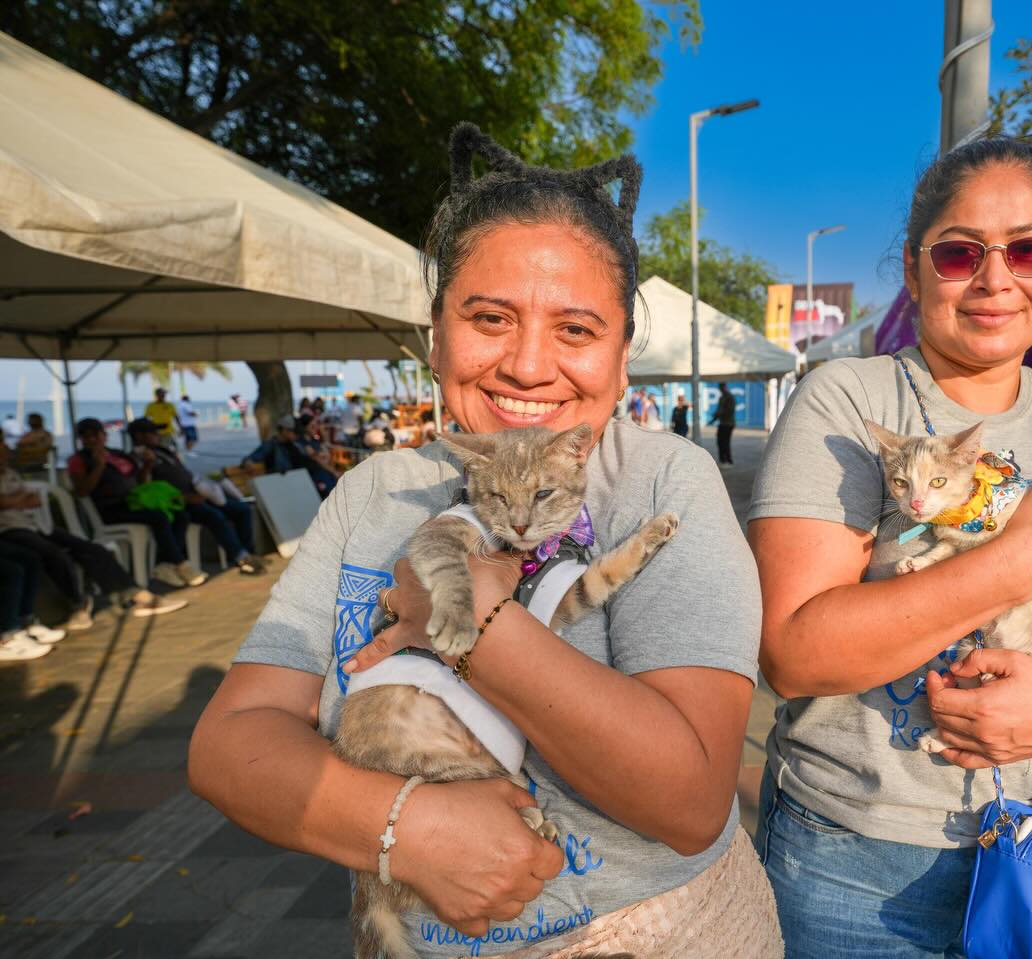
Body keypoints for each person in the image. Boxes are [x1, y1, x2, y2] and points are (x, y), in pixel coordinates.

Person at [189, 124, 780, 957]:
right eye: (489, 317)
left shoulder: (662, 483)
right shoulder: (372, 492)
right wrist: (406, 828)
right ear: (436, 335)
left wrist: (471, 624)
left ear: (619, 358)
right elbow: (227, 742)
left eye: (575, 330)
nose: (529, 365)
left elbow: (690, 803)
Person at [746, 136, 1032, 955]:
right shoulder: (850, 401)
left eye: (1028, 249)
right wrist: (1014, 564)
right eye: (960, 254)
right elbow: (793, 652)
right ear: (916, 270)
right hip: (858, 866)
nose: (996, 278)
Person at [0, 441, 187, 628]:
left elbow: (34, 500)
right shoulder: (79, 461)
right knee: (53, 554)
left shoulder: (11, 475)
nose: (8, 452)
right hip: (11, 530)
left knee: (92, 550)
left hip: (39, 525)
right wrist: (16, 500)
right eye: (3, 449)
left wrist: (14, 500)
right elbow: (10, 502)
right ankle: (77, 606)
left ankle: (136, 595)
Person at [66, 418, 204, 589]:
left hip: (134, 502)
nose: (92, 440)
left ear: (104, 435)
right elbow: (82, 491)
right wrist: (99, 467)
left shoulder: (118, 454)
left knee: (181, 515)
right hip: (110, 508)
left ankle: (165, 564)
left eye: (95, 435)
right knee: (159, 518)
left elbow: (139, 482)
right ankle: (180, 563)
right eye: (86, 437)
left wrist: (147, 465)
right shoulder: (78, 460)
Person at [128, 418, 265, 575]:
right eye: (153, 432)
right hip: (180, 501)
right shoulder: (137, 458)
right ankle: (240, 557)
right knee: (214, 516)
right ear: (138, 436)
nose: (158, 435)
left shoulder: (163, 450)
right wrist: (148, 466)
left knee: (241, 509)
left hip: (199, 492)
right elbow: (146, 489)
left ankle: (248, 552)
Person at [244, 415, 339, 497]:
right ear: (285, 430)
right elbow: (249, 460)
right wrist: (250, 465)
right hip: (283, 486)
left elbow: (309, 460)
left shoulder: (294, 444)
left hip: (297, 485)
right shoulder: (272, 445)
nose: (297, 435)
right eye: (295, 432)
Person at [709, 382, 736, 466]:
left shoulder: (730, 397)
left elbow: (729, 411)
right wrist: (714, 419)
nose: (721, 389)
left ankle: (728, 460)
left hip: (728, 423)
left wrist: (719, 414)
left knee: (725, 442)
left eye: (722, 387)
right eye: (720, 388)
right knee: (720, 441)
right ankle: (722, 460)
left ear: (725, 387)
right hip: (722, 423)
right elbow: (719, 410)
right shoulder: (722, 398)